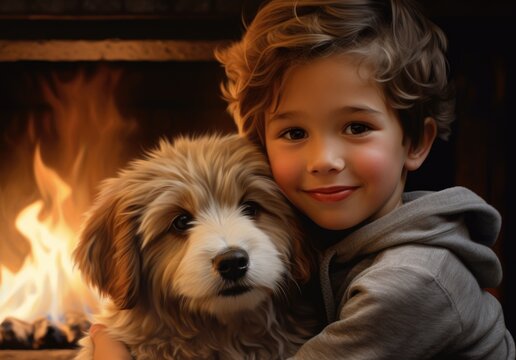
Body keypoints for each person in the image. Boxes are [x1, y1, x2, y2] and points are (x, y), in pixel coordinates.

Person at [89, 0, 515, 358]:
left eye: (356, 127)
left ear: (416, 143)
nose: (324, 160)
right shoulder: (340, 238)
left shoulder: (410, 283)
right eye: (294, 133)